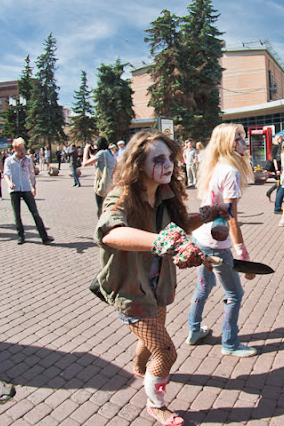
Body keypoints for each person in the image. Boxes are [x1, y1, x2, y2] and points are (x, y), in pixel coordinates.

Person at [94, 129, 219, 425]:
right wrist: (165, 243)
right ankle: (156, 403)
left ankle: (140, 369)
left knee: (152, 335)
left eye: (170, 159)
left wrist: (208, 213)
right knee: (165, 351)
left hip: (157, 286)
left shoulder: (164, 195)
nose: (170, 165)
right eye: (159, 159)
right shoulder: (122, 196)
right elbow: (111, 232)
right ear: (138, 165)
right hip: (130, 288)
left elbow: (178, 225)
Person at [187, 123, 259, 357]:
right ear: (229, 144)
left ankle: (194, 330)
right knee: (235, 294)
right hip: (217, 243)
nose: (244, 142)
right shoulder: (230, 171)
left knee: (204, 287)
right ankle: (230, 343)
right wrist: (244, 257)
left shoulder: (215, 166)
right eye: (239, 138)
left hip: (201, 238)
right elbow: (231, 218)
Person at [4, 138, 54, 245]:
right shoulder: (9, 161)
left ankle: (44, 237)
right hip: (15, 189)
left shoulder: (28, 160)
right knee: (17, 214)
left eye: (23, 149)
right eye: (20, 149)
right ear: (14, 149)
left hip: (26, 188)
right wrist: (9, 184)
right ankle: (21, 236)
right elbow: (6, 175)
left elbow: (31, 174)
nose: (22, 152)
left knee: (35, 212)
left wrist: (34, 187)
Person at [83, 136, 116, 217]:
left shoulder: (101, 153)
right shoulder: (109, 153)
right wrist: (91, 155)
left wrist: (86, 150)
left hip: (102, 185)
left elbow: (85, 163)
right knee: (106, 207)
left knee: (100, 209)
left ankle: (102, 227)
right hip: (110, 183)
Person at [265, 135, 284, 213]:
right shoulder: (275, 147)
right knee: (280, 183)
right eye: (280, 139)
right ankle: (272, 194)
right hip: (278, 168)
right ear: (277, 139)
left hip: (280, 167)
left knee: (280, 183)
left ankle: (272, 194)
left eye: (282, 139)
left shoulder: (279, 147)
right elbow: (274, 159)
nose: (282, 140)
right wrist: (277, 169)